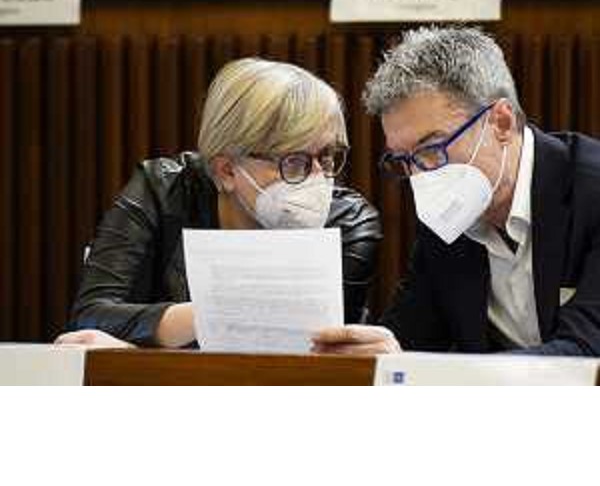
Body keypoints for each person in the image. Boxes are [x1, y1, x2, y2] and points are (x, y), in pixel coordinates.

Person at [312, 26, 600, 357]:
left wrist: (421, 370)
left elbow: (586, 352)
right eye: (404, 160)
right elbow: (408, 339)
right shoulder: (448, 216)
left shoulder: (591, 190)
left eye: (432, 149)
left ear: (502, 123)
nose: (421, 175)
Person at [56, 58, 382, 348]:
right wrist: (218, 314)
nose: (318, 178)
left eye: (326, 156)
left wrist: (144, 349)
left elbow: (321, 354)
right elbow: (89, 318)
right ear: (227, 170)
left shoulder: (350, 223)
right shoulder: (163, 191)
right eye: (294, 161)